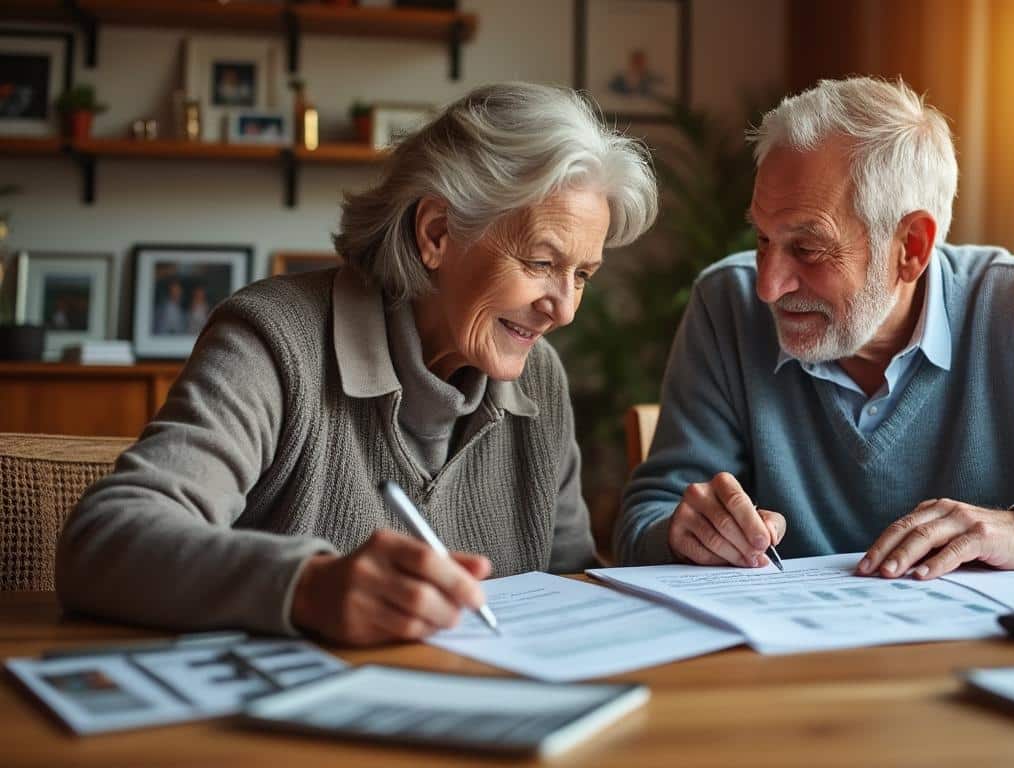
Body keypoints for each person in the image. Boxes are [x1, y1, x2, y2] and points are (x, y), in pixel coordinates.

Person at [57, 82, 659, 644]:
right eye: (540, 263)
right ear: (437, 233)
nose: (564, 308)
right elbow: (104, 540)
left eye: (583, 275)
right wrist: (307, 586)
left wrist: (672, 546)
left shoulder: (540, 377)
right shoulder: (275, 340)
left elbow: (569, 581)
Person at [616, 76, 1014, 581]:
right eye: (762, 238)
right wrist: (680, 531)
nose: (768, 284)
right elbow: (645, 515)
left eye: (807, 249)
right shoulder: (726, 305)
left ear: (911, 248)